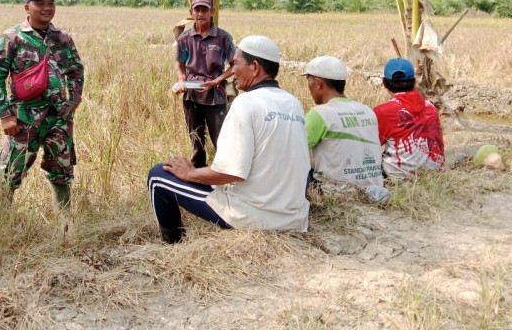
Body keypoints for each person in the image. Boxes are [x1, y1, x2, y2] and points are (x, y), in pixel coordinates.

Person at [148, 35, 310, 243]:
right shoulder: (293, 103)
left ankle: (172, 246)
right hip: (293, 216)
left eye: (236, 64)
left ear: (255, 67)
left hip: (255, 216)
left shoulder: (246, 103)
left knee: (158, 176)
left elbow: (231, 172)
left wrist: (190, 173)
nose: (232, 70)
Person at [0, 0, 84, 211]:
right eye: (40, 3)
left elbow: (76, 70)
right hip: (23, 119)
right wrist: (4, 115)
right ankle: (0, 226)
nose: (46, 8)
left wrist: (74, 100)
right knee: (9, 172)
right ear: (27, 8)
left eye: (50, 3)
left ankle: (65, 227)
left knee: (62, 172)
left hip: (59, 118)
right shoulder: (11, 38)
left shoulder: (63, 38)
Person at [301, 56, 389, 203]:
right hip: (374, 190)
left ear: (318, 83)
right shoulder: (367, 111)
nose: (308, 86)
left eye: (308, 79)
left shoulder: (320, 113)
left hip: (336, 193)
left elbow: (294, 149)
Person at [173, 0, 235, 168]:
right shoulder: (185, 39)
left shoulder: (223, 37)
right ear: (191, 12)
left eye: (204, 10)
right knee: (196, 140)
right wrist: (182, 81)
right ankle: (198, 173)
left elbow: (234, 65)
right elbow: (180, 64)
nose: (200, 14)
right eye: (197, 10)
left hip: (216, 95)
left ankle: (224, 171)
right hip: (192, 95)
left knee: (220, 138)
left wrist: (217, 81)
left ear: (212, 12)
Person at [374, 58, 444, 178]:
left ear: (384, 82)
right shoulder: (430, 107)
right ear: (413, 82)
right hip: (434, 175)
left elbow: (371, 144)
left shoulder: (384, 111)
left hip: (399, 177)